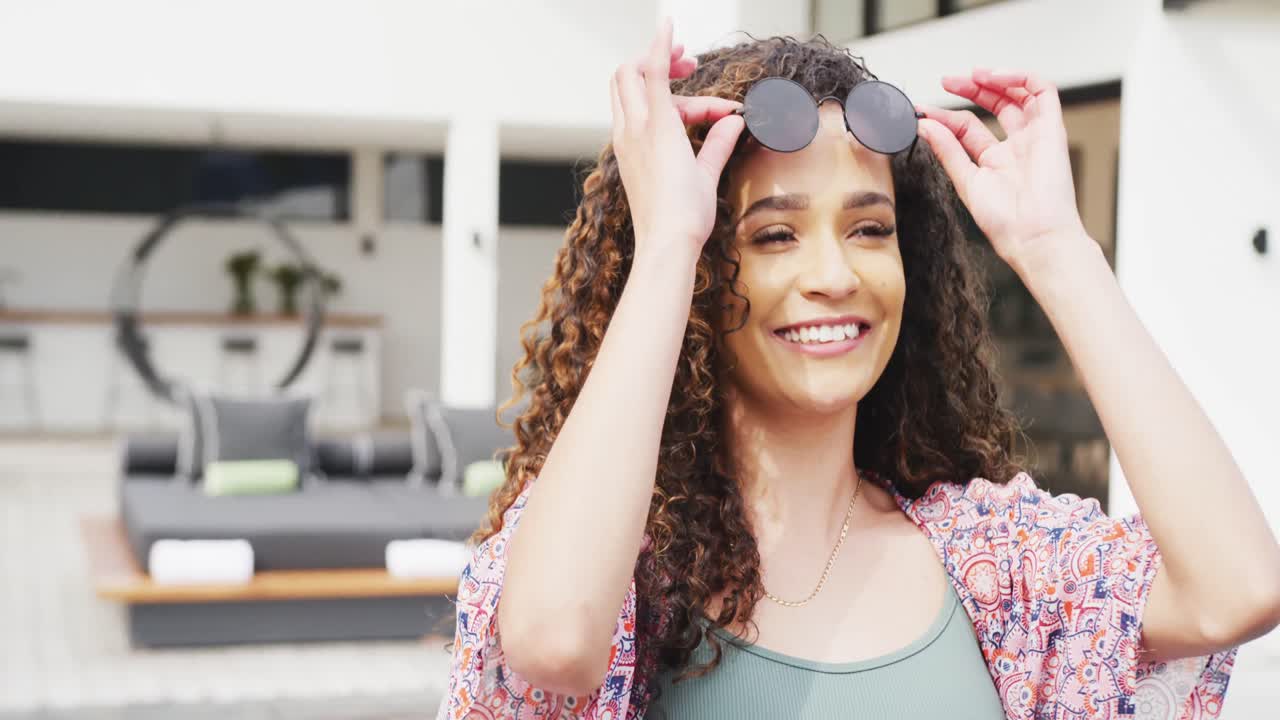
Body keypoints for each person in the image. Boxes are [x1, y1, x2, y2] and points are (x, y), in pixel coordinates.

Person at [439, 19, 1279, 720]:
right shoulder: (621, 568)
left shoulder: (993, 567)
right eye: (773, 234)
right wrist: (666, 241)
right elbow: (553, 640)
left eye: (870, 229)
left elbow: (1234, 591)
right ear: (699, 277)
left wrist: (1058, 251)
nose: (836, 274)